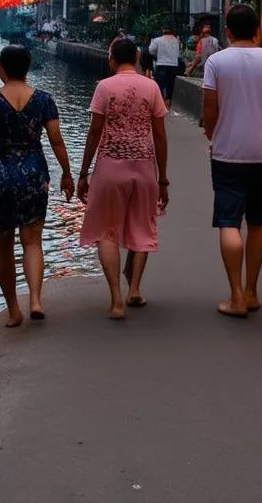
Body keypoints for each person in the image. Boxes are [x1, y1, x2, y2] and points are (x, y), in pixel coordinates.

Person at [202, 4, 262, 319]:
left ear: (227, 31)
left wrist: (213, 135)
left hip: (228, 153)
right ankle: (253, 291)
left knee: (230, 221)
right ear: (258, 30)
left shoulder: (216, 61)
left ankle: (235, 297)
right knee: (258, 221)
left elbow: (209, 111)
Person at [0, 45, 75, 327]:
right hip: (33, 174)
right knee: (32, 241)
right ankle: (36, 300)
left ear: (1, 67)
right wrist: (67, 173)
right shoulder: (44, 100)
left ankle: (14, 310)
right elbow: (56, 140)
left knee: (2, 243)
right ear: (27, 67)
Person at [78, 38, 169, 319]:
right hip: (144, 168)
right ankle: (135, 290)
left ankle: (116, 299)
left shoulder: (104, 87)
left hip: (110, 168)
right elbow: (160, 134)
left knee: (107, 232)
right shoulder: (151, 87)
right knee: (143, 227)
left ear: (111, 59)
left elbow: (95, 132)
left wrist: (84, 173)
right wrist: (162, 177)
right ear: (138, 57)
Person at [148, 26, 181, 108]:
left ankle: (161, 104)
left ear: (163, 31)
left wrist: (158, 54)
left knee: (160, 85)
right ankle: (168, 102)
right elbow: (178, 54)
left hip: (161, 64)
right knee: (170, 85)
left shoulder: (157, 40)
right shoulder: (176, 40)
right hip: (174, 64)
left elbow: (151, 51)